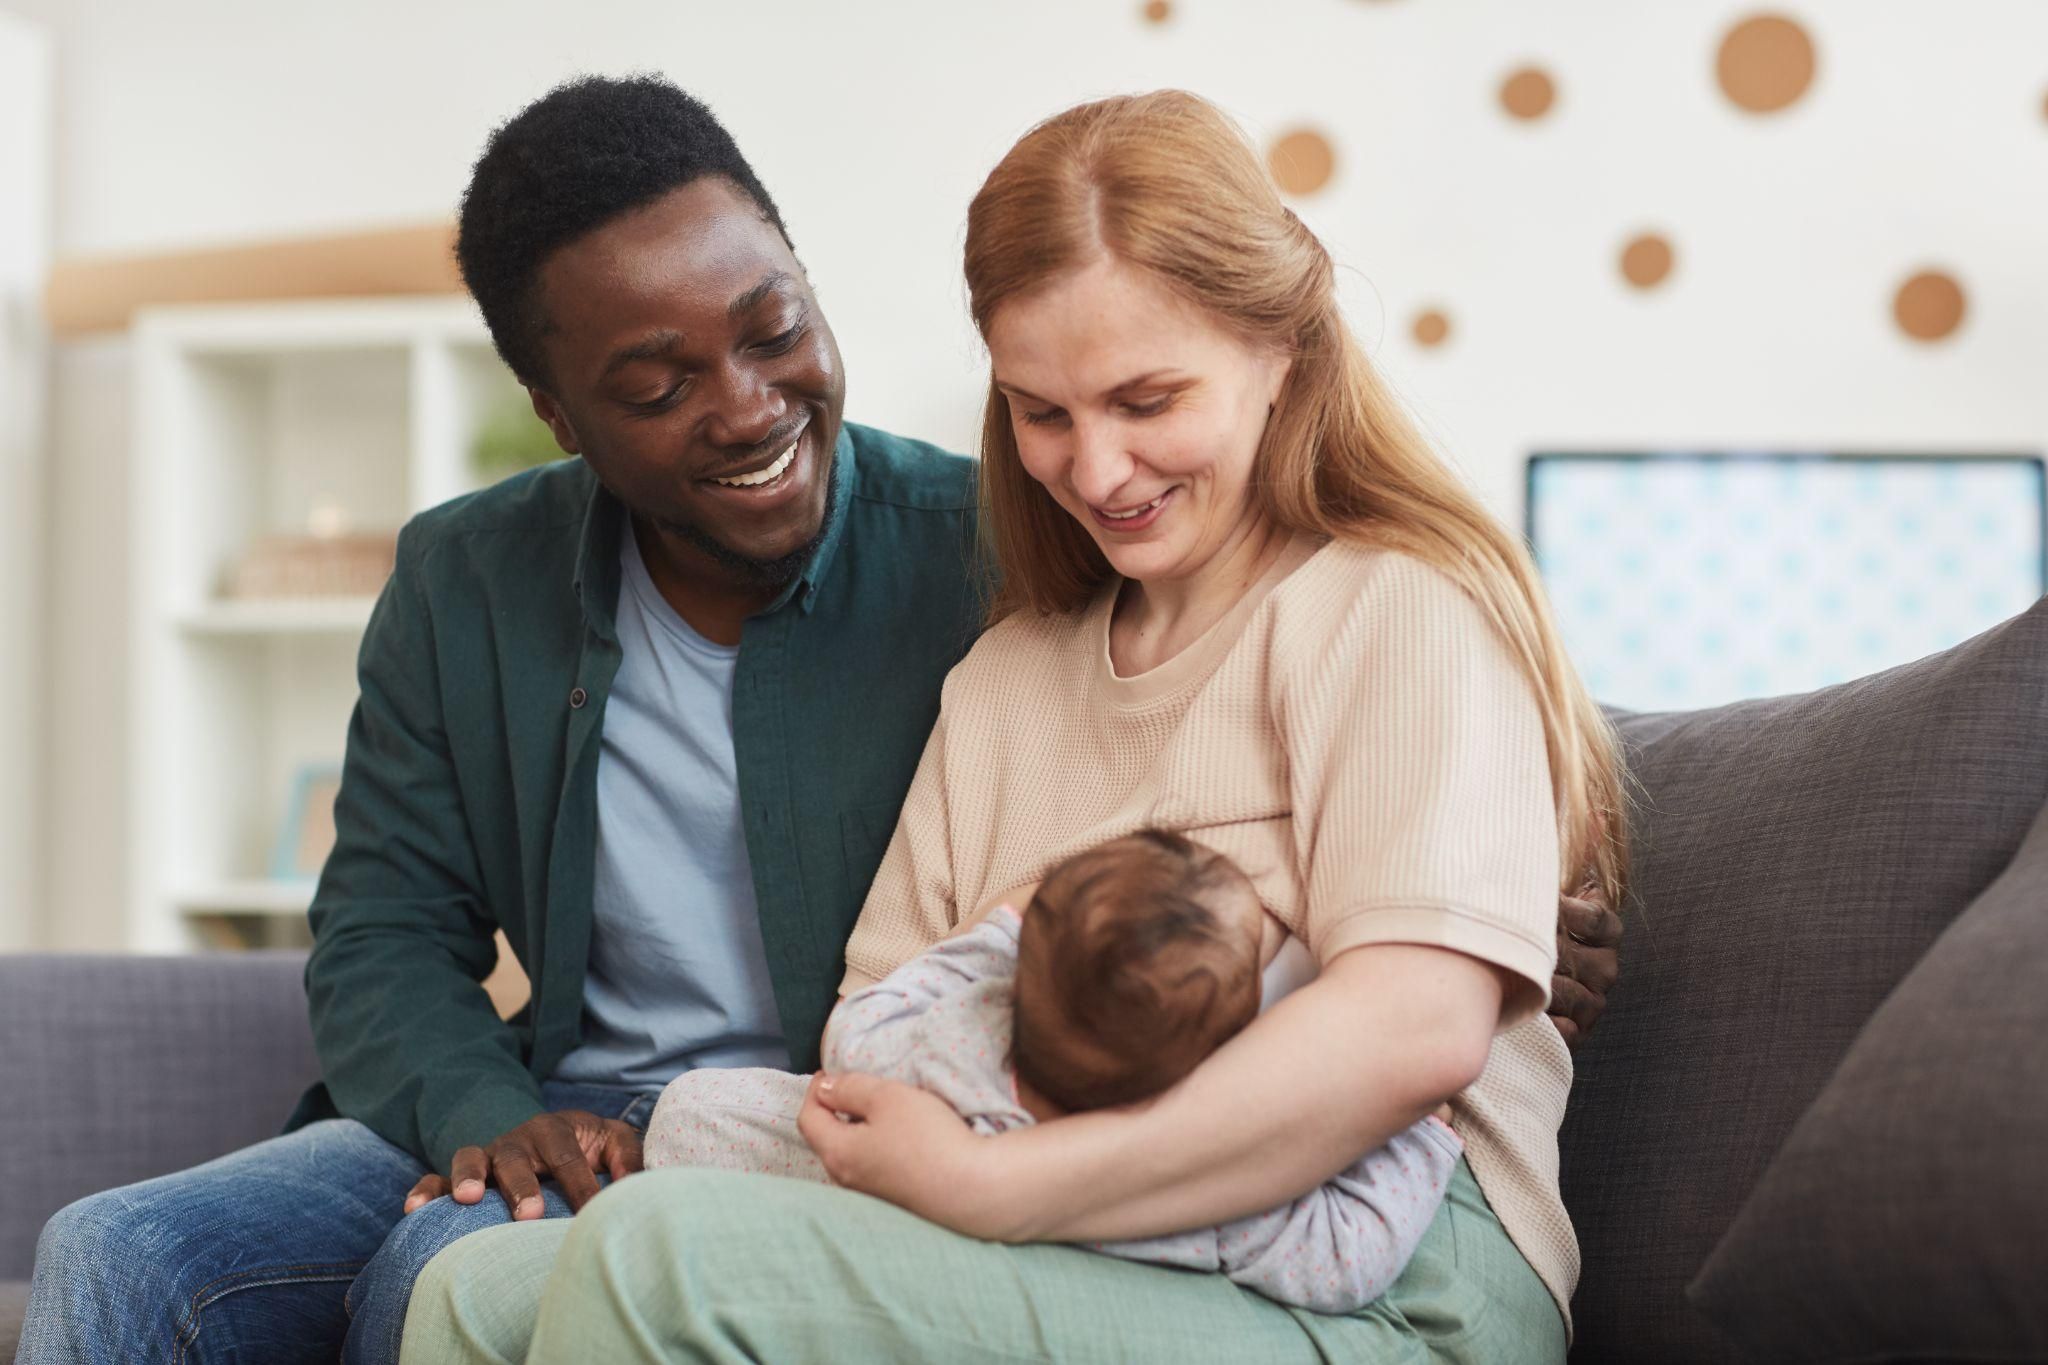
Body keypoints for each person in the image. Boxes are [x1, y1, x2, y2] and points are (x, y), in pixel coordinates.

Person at [20, 77, 1618, 1365]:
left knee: (608, 1255)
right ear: (563, 420)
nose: (1098, 468)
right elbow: (869, 1020)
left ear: (1284, 343)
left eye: (1147, 401)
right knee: (420, 1285)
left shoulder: (1370, 602)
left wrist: (998, 1168)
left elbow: (1417, 1012)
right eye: (1042, 412)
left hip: (1372, 1252)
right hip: (859, 1158)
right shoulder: (1015, 664)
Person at [640, 828, 1466, 1315]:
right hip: (1053, 1275)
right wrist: (1421, 1141)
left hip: (872, 1195)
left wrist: (997, 938)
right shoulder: (1207, 1188)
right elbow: (1343, 1256)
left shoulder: (952, 1040)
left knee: (694, 1111)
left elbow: (854, 1029)